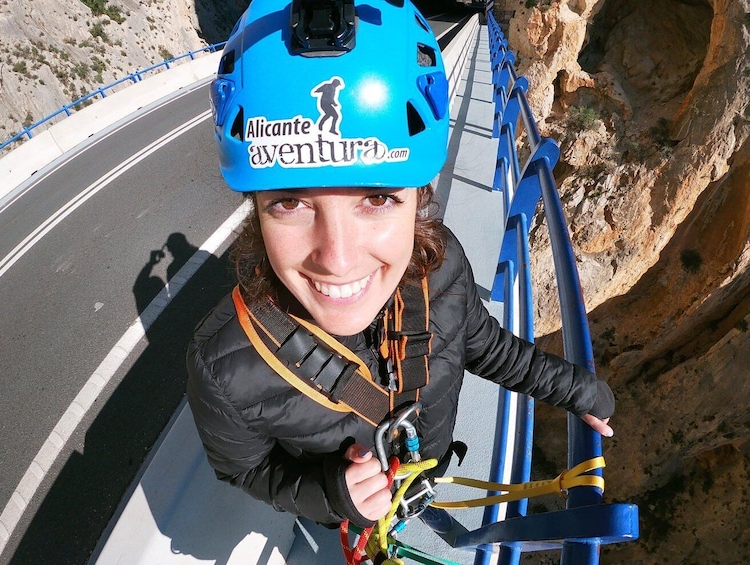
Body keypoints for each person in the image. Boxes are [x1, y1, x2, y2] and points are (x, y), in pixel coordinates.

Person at [186, 0, 614, 530]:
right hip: (357, 523)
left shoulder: (440, 270)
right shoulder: (226, 368)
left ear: (419, 199)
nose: (337, 259)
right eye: (291, 203)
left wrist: (580, 392)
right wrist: (331, 495)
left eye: (378, 198)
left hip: (421, 480)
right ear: (256, 212)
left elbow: (486, 348)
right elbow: (247, 471)